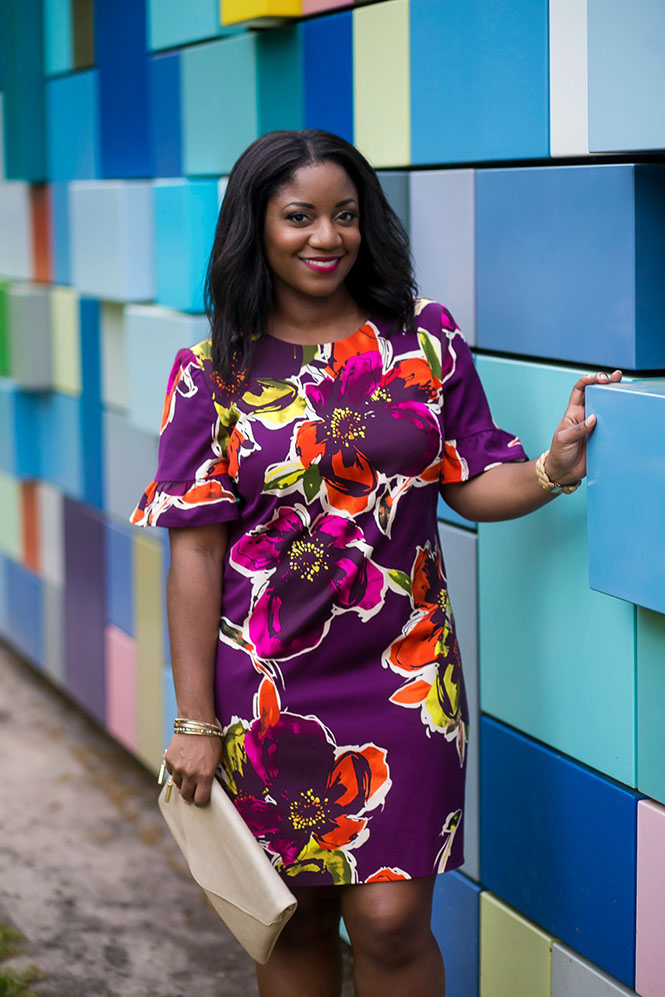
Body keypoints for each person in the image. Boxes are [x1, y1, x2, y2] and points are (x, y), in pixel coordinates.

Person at [131, 129, 621, 997]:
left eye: (345, 215)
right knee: (297, 918)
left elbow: (473, 482)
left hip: (407, 669)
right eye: (300, 217)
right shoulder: (211, 374)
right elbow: (195, 558)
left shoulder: (423, 343)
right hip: (267, 689)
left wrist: (551, 470)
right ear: (256, 227)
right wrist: (195, 719)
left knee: (393, 922)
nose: (327, 237)